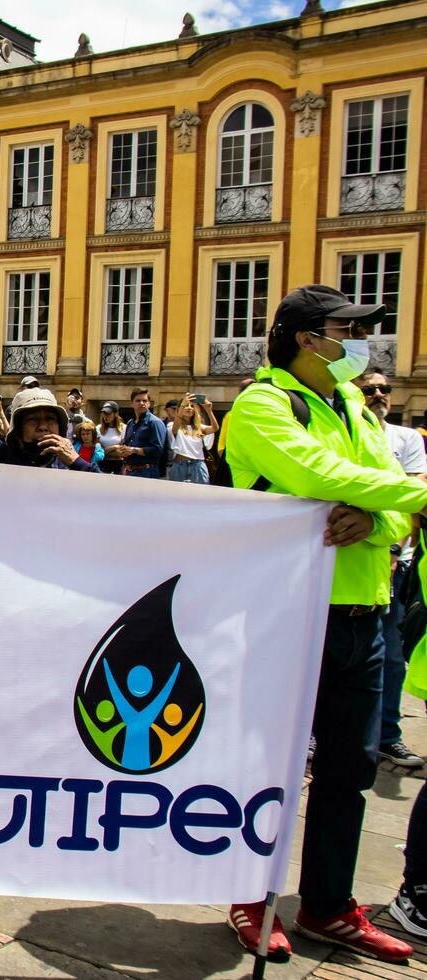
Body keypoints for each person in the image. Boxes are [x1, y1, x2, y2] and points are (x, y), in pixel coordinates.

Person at [224, 284, 427, 964]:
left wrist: (378, 519)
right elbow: (320, 475)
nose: (363, 341)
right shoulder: (263, 405)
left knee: (351, 770)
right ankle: (251, 898)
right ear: (310, 338)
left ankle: (329, 906)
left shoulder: (355, 410)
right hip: (290, 615)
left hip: (367, 616)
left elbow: (384, 501)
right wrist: (396, 499)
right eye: (350, 329)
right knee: (268, 767)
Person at [358, 371, 427, 768]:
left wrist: (392, 549)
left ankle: (387, 733)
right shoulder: (343, 438)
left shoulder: (406, 439)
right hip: (351, 558)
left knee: (391, 651)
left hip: (393, 561)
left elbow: (415, 498)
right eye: (370, 390)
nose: (379, 395)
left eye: (384, 389)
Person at [0, 326, 99, 472]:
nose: (43, 426)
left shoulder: (69, 464)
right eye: (32, 419)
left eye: (50, 418)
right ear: (17, 429)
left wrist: (76, 462)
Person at [112, 388, 167, 478]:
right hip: (128, 470)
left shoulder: (154, 422)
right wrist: (122, 451)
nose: (141, 403)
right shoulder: (130, 423)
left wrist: (133, 450)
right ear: (132, 404)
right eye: (138, 400)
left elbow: (158, 450)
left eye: (144, 400)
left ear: (149, 403)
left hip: (147, 471)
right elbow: (127, 444)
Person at [168, 394, 217, 485]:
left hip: (198, 465)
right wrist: (182, 406)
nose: (189, 408)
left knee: (200, 495)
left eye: (192, 406)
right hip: (180, 465)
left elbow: (215, 428)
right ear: (179, 409)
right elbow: (175, 428)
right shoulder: (173, 425)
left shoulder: (199, 427)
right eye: (186, 405)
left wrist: (209, 411)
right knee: (176, 496)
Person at [96, 401, 126, 474]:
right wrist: (114, 447)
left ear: (115, 414)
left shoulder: (124, 428)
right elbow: (97, 451)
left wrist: (105, 451)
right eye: (104, 413)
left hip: (118, 465)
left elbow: (121, 452)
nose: (105, 416)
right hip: (102, 464)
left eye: (108, 413)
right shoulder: (98, 428)